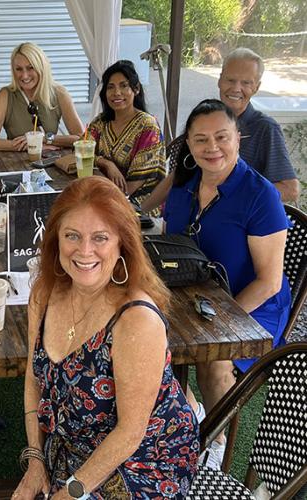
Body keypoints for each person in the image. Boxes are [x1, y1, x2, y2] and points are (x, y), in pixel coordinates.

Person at [14, 176, 199, 499]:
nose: (84, 251)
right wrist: (34, 458)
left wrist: (69, 494)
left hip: (143, 461)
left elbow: (130, 433)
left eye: (100, 237)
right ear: (56, 239)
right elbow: (33, 378)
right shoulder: (44, 294)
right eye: (72, 236)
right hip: (74, 445)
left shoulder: (136, 319)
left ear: (122, 244)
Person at [164, 99, 291, 470]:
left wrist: (219, 319)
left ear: (239, 137)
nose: (212, 147)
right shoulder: (185, 183)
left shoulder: (260, 194)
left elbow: (269, 282)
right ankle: (190, 411)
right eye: (200, 139)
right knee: (141, 341)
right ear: (188, 143)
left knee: (214, 363)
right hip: (194, 292)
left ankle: (214, 441)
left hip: (249, 304)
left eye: (222, 137)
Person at [141, 47, 299, 212]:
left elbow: (290, 189)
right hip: (189, 220)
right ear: (220, 80)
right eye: (230, 80)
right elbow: (179, 175)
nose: (236, 88)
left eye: (246, 83)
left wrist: (230, 194)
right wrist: (139, 213)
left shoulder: (265, 128)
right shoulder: (205, 117)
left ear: (256, 88)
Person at [0, 42, 84, 152]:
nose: (24, 75)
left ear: (41, 68)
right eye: (19, 69)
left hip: (49, 160)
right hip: (14, 162)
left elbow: (81, 138)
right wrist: (30, 145)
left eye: (30, 68)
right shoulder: (5, 94)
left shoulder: (59, 93)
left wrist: (45, 139)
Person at [88, 60, 166, 202]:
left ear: (136, 89)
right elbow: (82, 151)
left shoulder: (147, 126)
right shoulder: (101, 122)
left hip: (138, 204)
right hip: (104, 192)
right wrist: (106, 163)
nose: (116, 93)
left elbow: (131, 187)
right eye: (110, 87)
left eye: (124, 86)